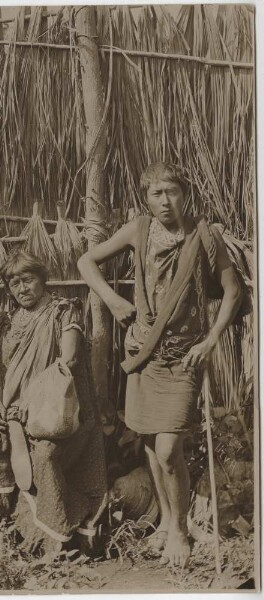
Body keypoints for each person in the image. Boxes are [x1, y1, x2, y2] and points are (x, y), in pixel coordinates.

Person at [77, 162, 243, 568]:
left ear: (184, 194)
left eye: (171, 192)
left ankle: (181, 531)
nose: (165, 201)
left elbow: (233, 292)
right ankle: (167, 521)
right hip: (143, 351)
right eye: (156, 194)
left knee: (169, 448)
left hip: (184, 354)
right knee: (151, 440)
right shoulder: (139, 230)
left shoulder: (204, 236)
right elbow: (86, 262)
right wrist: (113, 300)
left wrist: (210, 339)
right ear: (145, 198)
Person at [0, 252, 107, 554]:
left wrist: (33, 399)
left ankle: (56, 538)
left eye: (27, 279)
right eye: (14, 283)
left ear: (42, 278)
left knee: (44, 458)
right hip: (12, 411)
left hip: (56, 411)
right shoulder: (9, 320)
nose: (21, 288)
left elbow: (68, 359)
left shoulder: (63, 312)